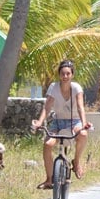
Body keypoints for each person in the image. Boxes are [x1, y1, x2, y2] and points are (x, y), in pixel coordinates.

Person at [31, 59, 92, 189]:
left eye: (68, 74)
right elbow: (47, 108)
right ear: (59, 75)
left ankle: (76, 162)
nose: (65, 76)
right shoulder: (53, 87)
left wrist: (84, 123)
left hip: (74, 122)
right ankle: (49, 179)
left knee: (83, 134)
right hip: (58, 123)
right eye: (63, 74)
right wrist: (39, 123)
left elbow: (81, 107)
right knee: (47, 145)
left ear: (72, 75)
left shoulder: (76, 88)